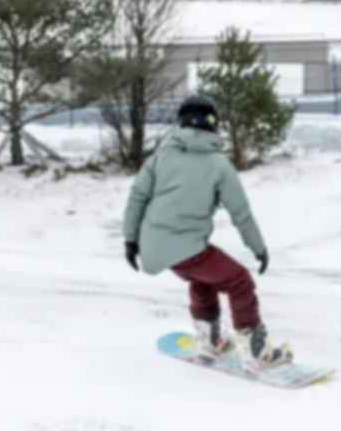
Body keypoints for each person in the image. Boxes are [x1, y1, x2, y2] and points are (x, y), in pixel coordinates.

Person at [123, 95, 290, 369]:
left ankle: (209, 340)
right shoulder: (218, 164)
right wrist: (258, 248)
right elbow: (241, 212)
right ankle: (256, 353)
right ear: (213, 125)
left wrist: (131, 240)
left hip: (154, 244)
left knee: (202, 277)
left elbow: (137, 197)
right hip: (185, 244)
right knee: (240, 281)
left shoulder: (161, 156)